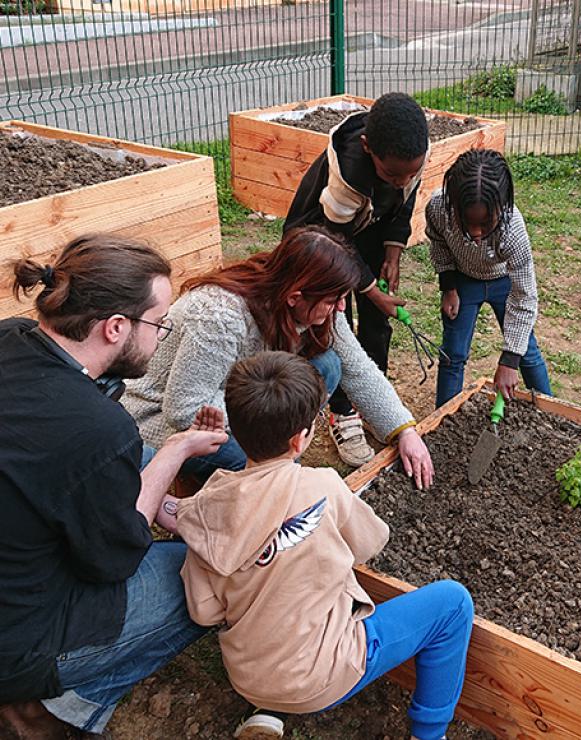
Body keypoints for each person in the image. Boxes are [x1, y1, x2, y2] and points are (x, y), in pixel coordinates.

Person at [178, 351, 474, 740]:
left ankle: (268, 713)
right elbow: (371, 542)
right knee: (453, 604)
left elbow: (204, 611)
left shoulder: (205, 508)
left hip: (247, 675)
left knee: (284, 605)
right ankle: (429, 734)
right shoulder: (321, 487)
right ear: (301, 438)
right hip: (322, 678)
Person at [0, 235, 228, 737]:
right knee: (201, 576)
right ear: (116, 327)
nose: (162, 334)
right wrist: (177, 450)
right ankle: (49, 713)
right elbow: (114, 560)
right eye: (159, 323)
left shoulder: (10, 336)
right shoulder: (97, 429)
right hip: (18, 641)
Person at [122, 226, 434, 486]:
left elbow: (358, 369)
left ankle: (280, 456)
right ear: (295, 297)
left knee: (329, 365)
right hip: (168, 419)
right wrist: (277, 415)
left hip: (249, 401)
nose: (340, 308)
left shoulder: (318, 301)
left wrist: (404, 430)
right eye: (334, 301)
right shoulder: (219, 315)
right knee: (264, 474)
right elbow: (184, 409)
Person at [283, 92, 429, 463]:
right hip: (322, 241)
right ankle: (343, 409)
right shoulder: (348, 175)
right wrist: (366, 290)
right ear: (367, 148)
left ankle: (372, 396)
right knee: (336, 322)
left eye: (410, 173)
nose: (402, 182)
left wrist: (393, 251)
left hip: (367, 228)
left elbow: (405, 200)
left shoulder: (408, 156)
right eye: (392, 174)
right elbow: (337, 243)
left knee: (378, 321)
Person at [427, 148, 552, 406]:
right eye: (467, 222)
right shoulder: (439, 208)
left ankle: (550, 410)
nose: (475, 233)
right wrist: (448, 286)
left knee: (526, 352)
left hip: (503, 282)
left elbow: (524, 297)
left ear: (501, 207)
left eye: (485, 224)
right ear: (454, 205)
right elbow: (438, 241)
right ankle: (443, 416)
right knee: (453, 355)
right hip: (463, 282)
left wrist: (509, 360)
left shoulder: (512, 230)